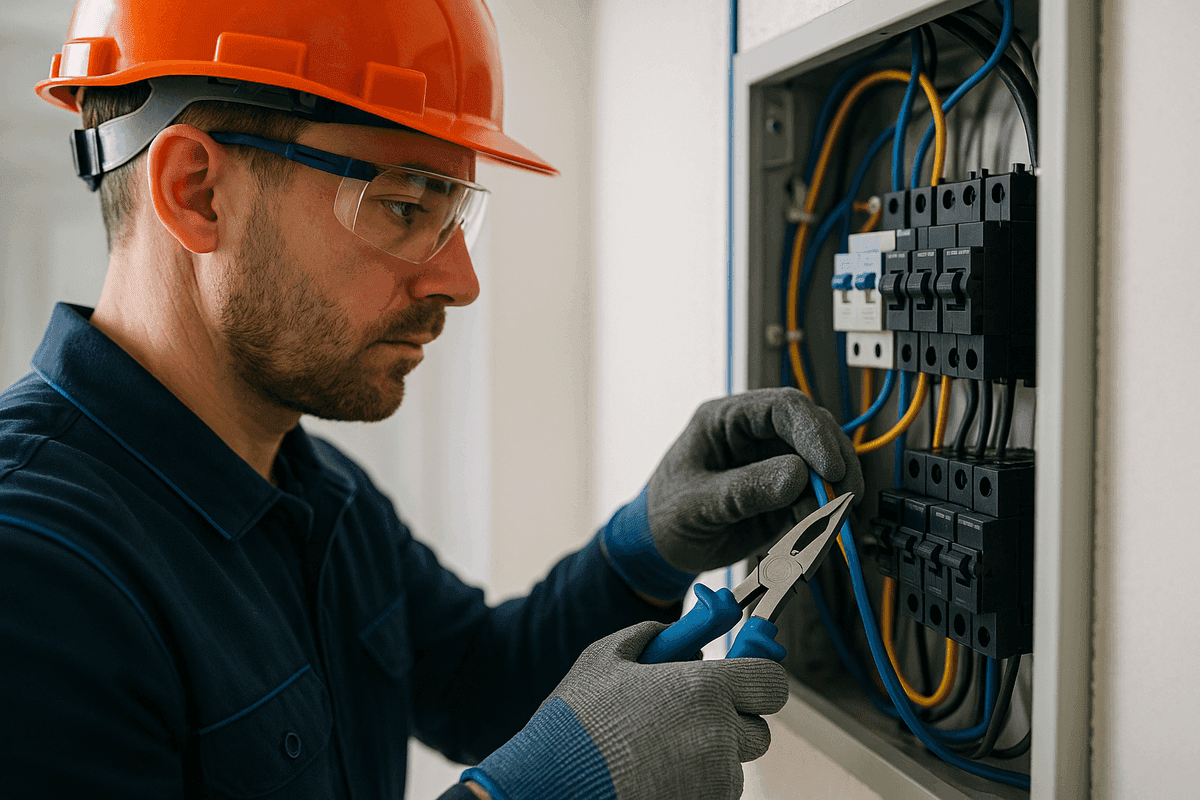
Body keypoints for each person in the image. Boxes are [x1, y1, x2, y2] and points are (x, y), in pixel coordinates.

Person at [0, 1, 863, 798]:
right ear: (197, 191)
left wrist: (640, 550)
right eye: (405, 205)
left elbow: (479, 682)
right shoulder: (34, 570)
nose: (461, 280)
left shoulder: (309, 486)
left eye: (455, 216)